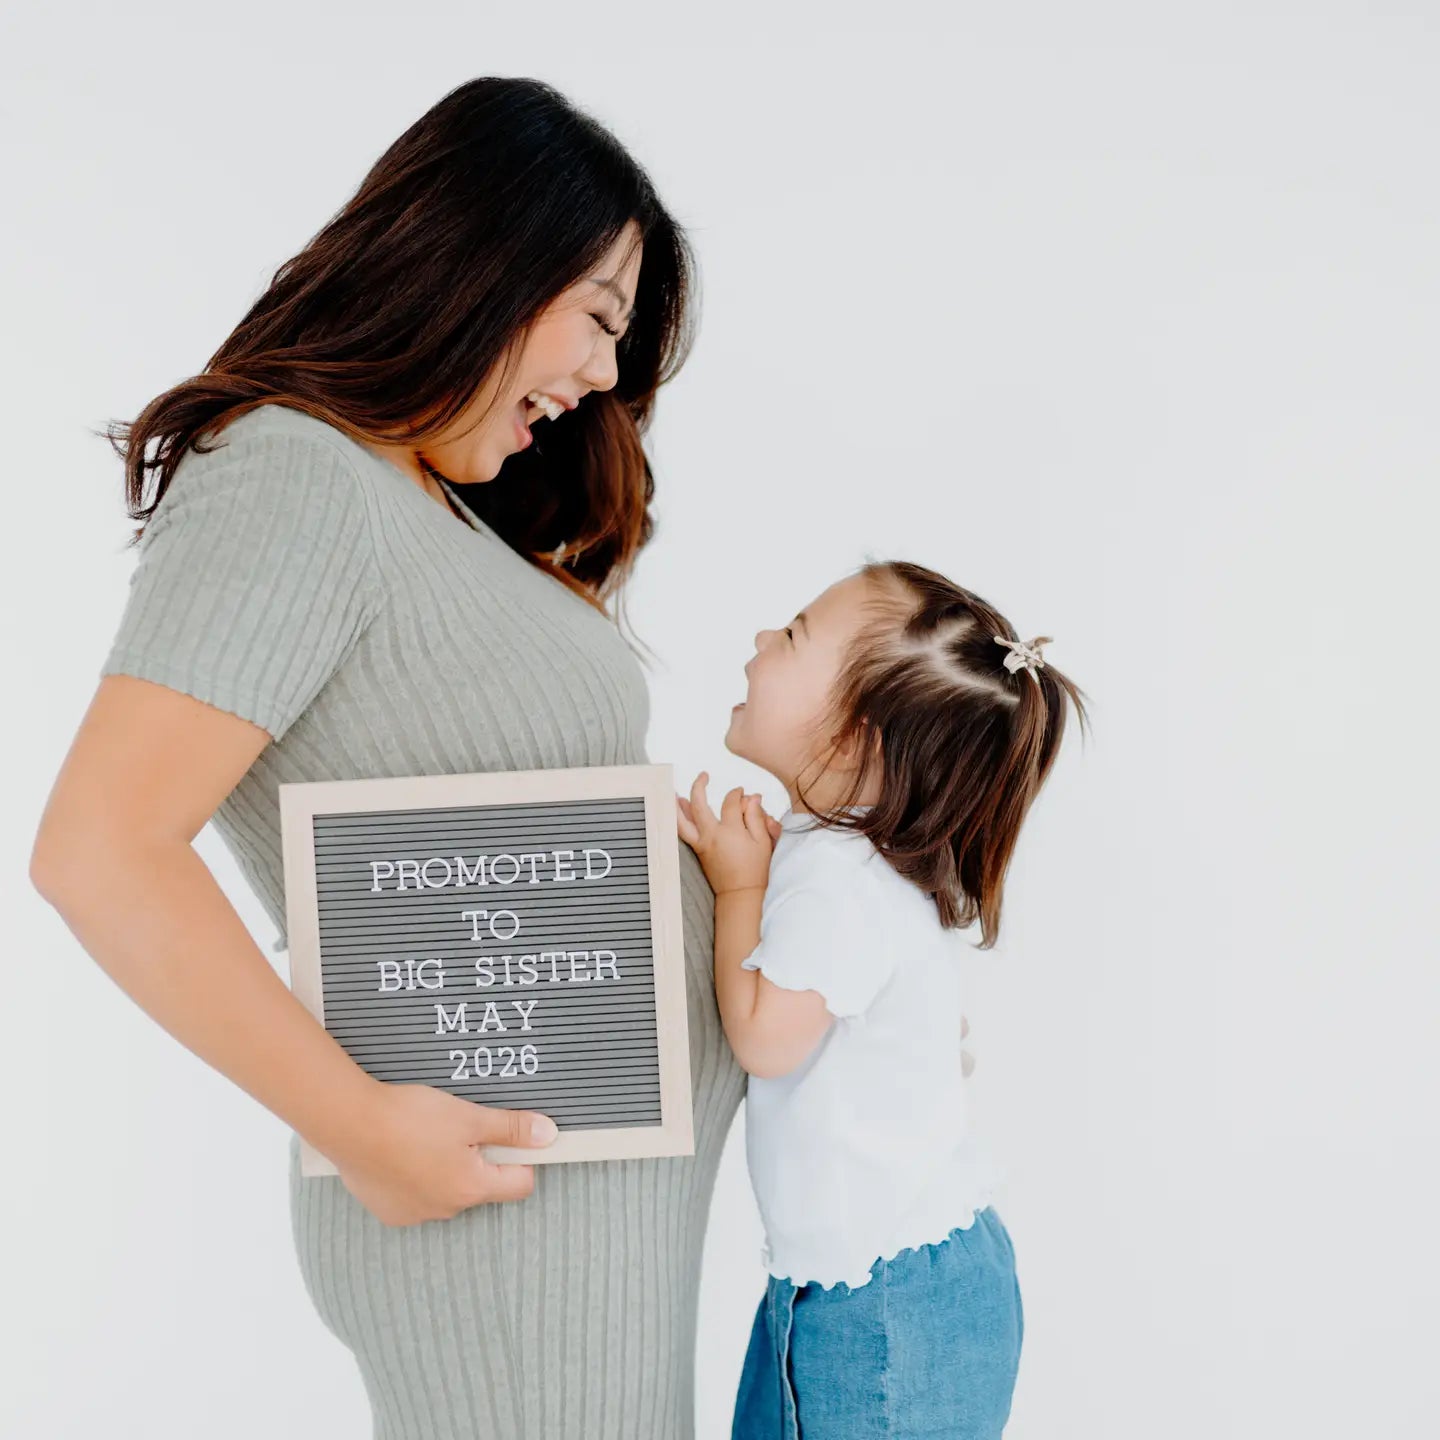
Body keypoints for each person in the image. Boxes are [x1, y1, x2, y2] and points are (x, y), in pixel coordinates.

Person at [28, 77, 742, 1438]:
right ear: (486, 257)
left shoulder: (427, 506)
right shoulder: (293, 474)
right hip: (499, 1204)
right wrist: (359, 1127)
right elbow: (99, 851)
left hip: (584, 1209)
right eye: (600, 314)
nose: (603, 375)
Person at [676, 560, 1088, 1439]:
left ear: (855, 735)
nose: (758, 640)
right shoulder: (849, 857)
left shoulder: (834, 876)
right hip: (891, 1278)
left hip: (885, 1304)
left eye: (790, 636)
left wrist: (738, 886)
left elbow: (766, 1038)